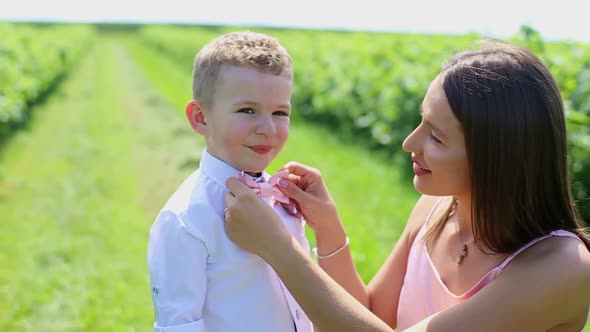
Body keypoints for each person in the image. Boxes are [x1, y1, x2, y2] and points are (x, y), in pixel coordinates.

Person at [223, 39, 590, 331]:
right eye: (421, 122)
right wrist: (327, 226)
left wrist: (278, 248)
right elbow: (367, 316)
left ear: (497, 157)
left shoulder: (564, 269)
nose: (409, 143)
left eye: (436, 137)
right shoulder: (434, 210)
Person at [147, 31, 314, 331]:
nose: (268, 128)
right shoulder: (186, 219)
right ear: (200, 117)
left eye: (280, 112)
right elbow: (180, 324)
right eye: (247, 110)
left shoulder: (284, 195)